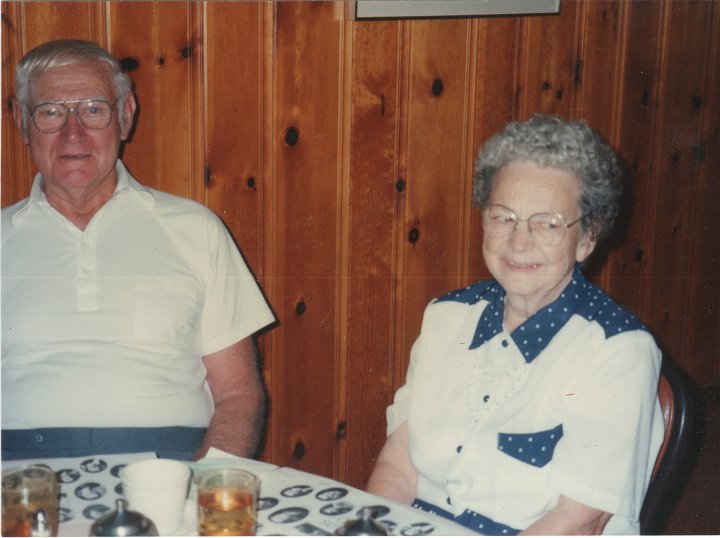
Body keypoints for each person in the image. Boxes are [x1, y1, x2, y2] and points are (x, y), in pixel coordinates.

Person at [366, 114, 665, 535]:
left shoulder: (618, 351)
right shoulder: (445, 318)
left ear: (586, 239)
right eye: (504, 217)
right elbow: (397, 467)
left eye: (547, 223)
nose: (519, 241)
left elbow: (580, 522)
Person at [1, 39, 275, 461]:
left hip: (173, 469)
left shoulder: (195, 229)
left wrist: (201, 496)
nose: (73, 133)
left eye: (93, 109)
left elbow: (239, 395)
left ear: (125, 116)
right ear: (21, 121)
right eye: (51, 112)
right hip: (20, 478)